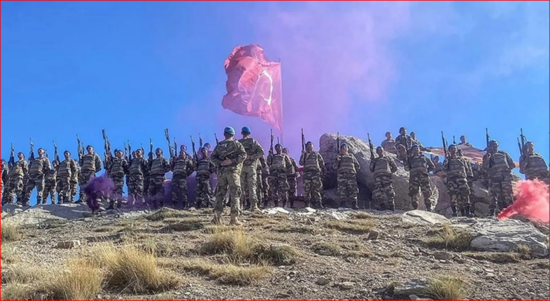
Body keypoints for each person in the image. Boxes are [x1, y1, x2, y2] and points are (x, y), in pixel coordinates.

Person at [210, 127, 247, 225]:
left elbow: (212, 158)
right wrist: (232, 161)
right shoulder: (237, 144)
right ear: (233, 134)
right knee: (235, 194)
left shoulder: (219, 145)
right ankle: (234, 219)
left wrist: (221, 163)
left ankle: (217, 218)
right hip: (233, 172)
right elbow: (243, 155)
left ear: (224, 134)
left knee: (220, 194)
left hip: (222, 173)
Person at [482, 140, 515, 216]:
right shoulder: (487, 156)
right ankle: (500, 212)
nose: (494, 146)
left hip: (505, 178)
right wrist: (487, 157)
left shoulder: (503, 153)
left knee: (508, 195)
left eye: (496, 144)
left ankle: (511, 212)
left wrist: (505, 170)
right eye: (492, 145)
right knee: (496, 195)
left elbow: (512, 165)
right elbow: (485, 168)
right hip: (494, 179)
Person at [443, 144, 473, 217]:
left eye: (454, 148)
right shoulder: (447, 160)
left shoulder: (462, 159)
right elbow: (444, 169)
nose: (453, 150)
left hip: (462, 179)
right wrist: (448, 159)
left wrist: (468, 178)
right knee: (453, 196)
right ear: (449, 150)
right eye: (452, 149)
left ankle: (467, 212)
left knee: (465, 195)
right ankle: (455, 212)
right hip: (452, 180)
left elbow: (467, 169)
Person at [404, 144, 435, 211]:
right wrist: (406, 160)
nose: (416, 150)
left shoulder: (424, 157)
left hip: (423, 177)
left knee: (426, 192)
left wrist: (426, 171)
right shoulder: (410, 159)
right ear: (412, 151)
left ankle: (428, 207)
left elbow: (432, 166)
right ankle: (415, 207)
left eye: (417, 148)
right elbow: (406, 168)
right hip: (414, 177)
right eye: (414, 149)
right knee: (413, 192)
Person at [369, 146, 398, 210]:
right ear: (377, 152)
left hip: (386, 177)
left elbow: (395, 168)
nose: (380, 151)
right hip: (377, 178)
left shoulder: (388, 158)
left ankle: (391, 205)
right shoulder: (375, 160)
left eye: (381, 150)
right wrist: (372, 161)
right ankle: (382, 205)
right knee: (378, 192)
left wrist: (389, 173)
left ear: (383, 151)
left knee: (389, 190)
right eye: (378, 150)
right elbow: (371, 169)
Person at [333, 143, 360, 209]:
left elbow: (357, 165)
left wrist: (353, 172)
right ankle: (343, 204)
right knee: (342, 190)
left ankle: (354, 204)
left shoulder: (351, 156)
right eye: (343, 148)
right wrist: (337, 160)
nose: (344, 148)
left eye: (345, 147)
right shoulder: (339, 156)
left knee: (353, 190)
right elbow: (334, 167)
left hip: (351, 175)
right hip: (342, 176)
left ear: (348, 149)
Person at [299, 141, 325, 209]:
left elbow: (322, 163)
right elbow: (301, 163)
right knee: (307, 189)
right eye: (308, 145)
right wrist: (302, 155)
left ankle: (318, 203)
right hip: (307, 174)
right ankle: (307, 204)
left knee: (316, 189)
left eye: (311, 145)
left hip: (315, 173)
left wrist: (319, 169)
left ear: (313, 146)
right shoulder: (304, 155)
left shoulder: (316, 154)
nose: (309, 146)